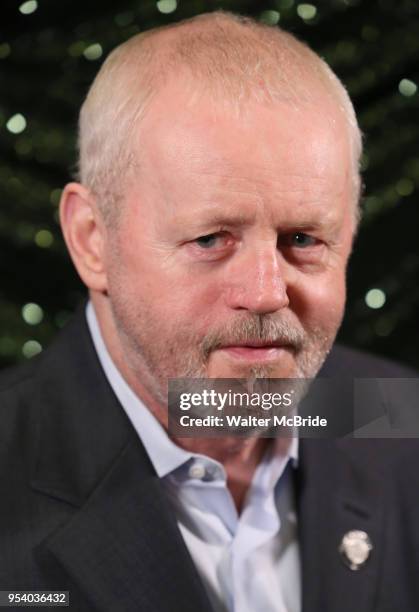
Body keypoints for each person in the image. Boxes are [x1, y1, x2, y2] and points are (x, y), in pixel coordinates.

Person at [0, 11, 418, 612]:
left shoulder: (402, 419)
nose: (267, 291)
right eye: (210, 239)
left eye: (303, 239)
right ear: (93, 238)